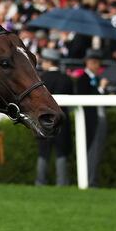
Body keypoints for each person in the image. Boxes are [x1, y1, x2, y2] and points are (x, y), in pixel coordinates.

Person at [35, 48, 73, 186]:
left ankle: (40, 182)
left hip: (44, 120)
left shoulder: (41, 79)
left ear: (48, 61)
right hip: (62, 120)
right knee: (61, 153)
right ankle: (62, 182)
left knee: (43, 152)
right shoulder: (66, 79)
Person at [74, 49, 109, 187]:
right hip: (90, 121)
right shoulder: (83, 79)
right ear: (88, 63)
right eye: (94, 62)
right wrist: (101, 89)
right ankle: (90, 180)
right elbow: (86, 98)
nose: (97, 66)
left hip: (99, 119)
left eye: (98, 63)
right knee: (91, 150)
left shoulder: (96, 79)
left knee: (97, 151)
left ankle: (92, 179)